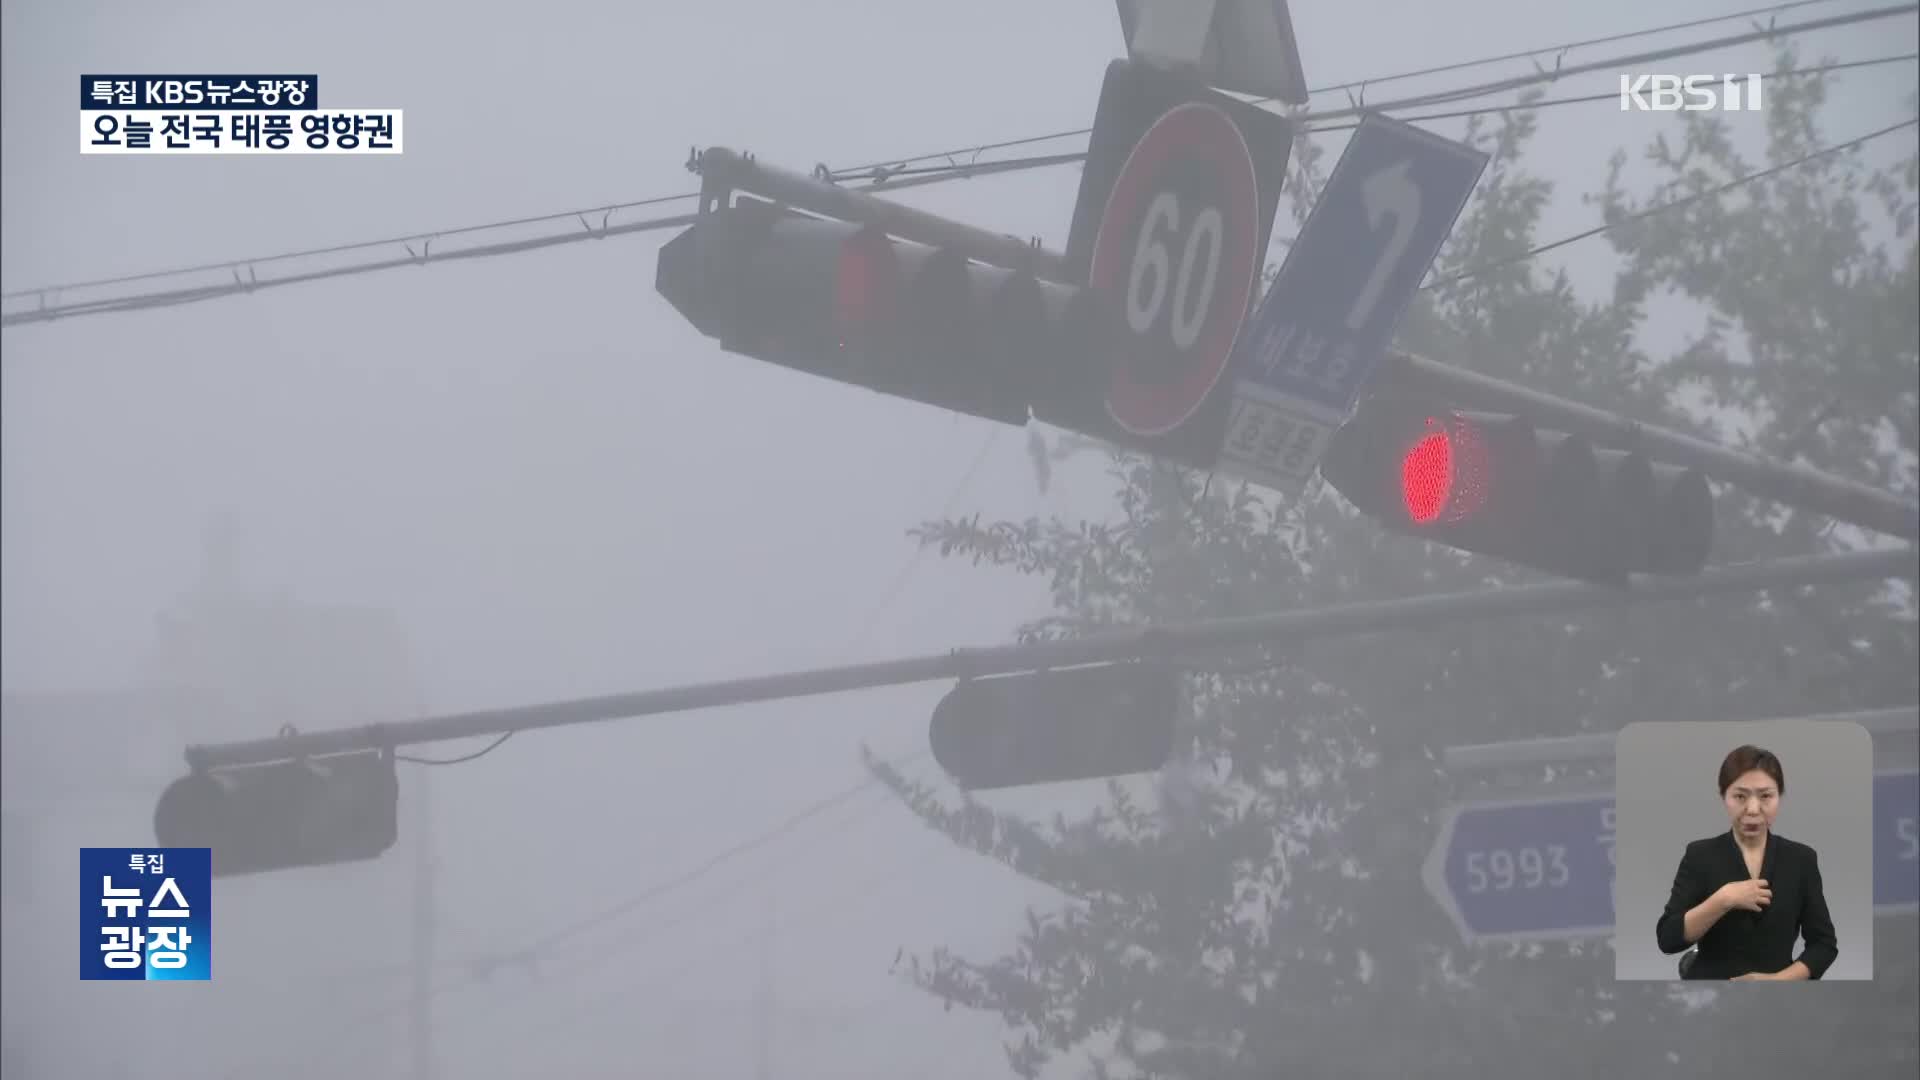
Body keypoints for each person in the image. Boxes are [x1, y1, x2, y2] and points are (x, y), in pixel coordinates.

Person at [1655, 745, 1838, 980]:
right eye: (1740, 796)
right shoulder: (1700, 855)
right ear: (1724, 796)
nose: (1753, 809)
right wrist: (1724, 899)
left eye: (1765, 796)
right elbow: (1668, 938)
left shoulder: (1801, 859)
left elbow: (1823, 946)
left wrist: (1777, 981)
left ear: (1779, 796)